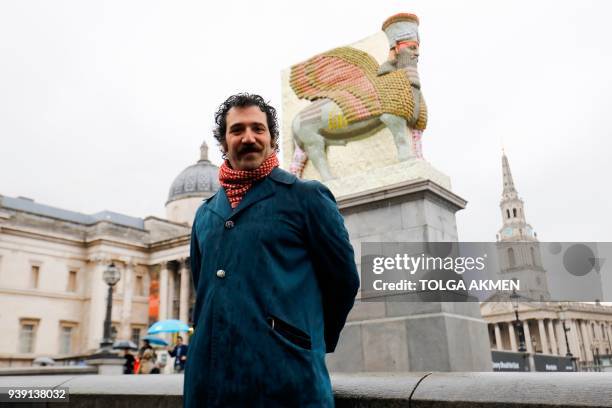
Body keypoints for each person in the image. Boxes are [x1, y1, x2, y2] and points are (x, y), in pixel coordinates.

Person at [184, 93, 360, 407]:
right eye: (237, 130)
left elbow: (343, 282)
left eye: (258, 128)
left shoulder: (307, 197)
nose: (248, 137)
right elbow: (206, 290)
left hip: (287, 378)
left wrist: (303, 341)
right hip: (209, 382)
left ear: (272, 138)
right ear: (224, 143)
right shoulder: (204, 214)